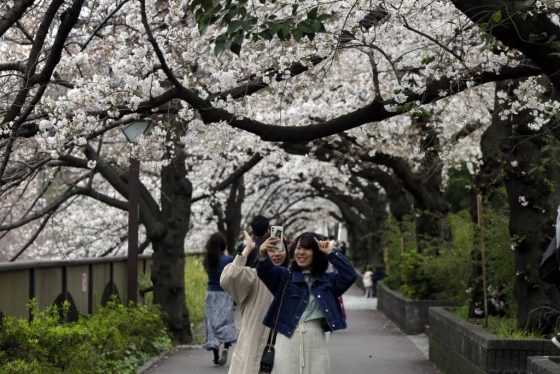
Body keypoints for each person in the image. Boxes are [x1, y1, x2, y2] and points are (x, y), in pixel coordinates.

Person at [256, 232, 357, 374]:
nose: (301, 252)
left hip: (316, 341)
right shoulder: (284, 277)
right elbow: (265, 271)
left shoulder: (328, 280)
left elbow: (350, 275)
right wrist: (262, 253)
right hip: (287, 338)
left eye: (307, 248)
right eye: (298, 248)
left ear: (317, 252)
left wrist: (331, 252)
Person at [220, 231, 290, 374]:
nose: (276, 254)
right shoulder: (252, 276)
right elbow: (228, 278)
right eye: (271, 249)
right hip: (254, 346)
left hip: (285, 347)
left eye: (280, 249)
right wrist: (248, 249)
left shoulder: (292, 278)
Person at [203, 232, 239, 366]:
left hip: (211, 294)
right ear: (224, 245)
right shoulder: (228, 259)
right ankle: (226, 347)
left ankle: (216, 356)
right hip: (225, 294)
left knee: (212, 324)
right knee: (226, 322)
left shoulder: (206, 261)